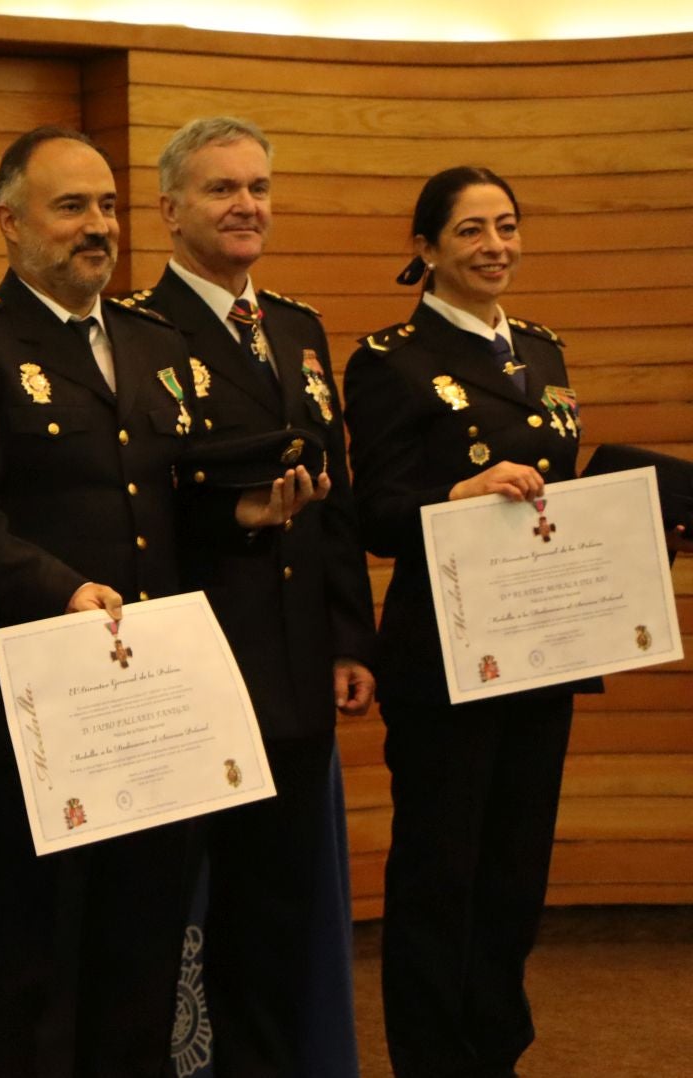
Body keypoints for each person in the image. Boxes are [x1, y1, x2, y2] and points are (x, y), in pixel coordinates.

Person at [0, 125, 317, 1078]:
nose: (98, 226)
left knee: (143, 950)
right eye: (70, 207)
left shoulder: (152, 339)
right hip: (37, 704)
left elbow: (167, 508)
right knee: (30, 960)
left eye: (106, 206)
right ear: (9, 223)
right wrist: (61, 590)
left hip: (150, 697)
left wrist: (244, 514)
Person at [134, 116, 377, 1076]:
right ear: (170, 208)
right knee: (155, 921)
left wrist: (348, 639)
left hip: (292, 671)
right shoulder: (139, 331)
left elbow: (339, 507)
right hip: (192, 669)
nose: (247, 205)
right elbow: (144, 508)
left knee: (272, 922)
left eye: (259, 187)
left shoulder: (299, 328)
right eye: (222, 188)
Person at [342, 166, 587, 1078]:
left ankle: (495, 1052)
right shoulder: (388, 358)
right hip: (444, 655)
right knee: (443, 874)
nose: (495, 247)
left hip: (544, 642)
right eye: (472, 230)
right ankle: (434, 1060)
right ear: (427, 248)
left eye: (508, 227)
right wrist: (459, 492)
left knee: (515, 873)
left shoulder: (544, 349)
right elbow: (373, 513)